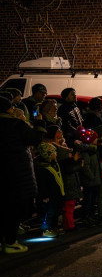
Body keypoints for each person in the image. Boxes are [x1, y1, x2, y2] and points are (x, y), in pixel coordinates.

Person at [0, 96, 46, 253]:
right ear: (8, 109)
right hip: (18, 173)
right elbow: (35, 139)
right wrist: (39, 123)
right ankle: (11, 242)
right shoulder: (15, 124)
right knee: (15, 208)